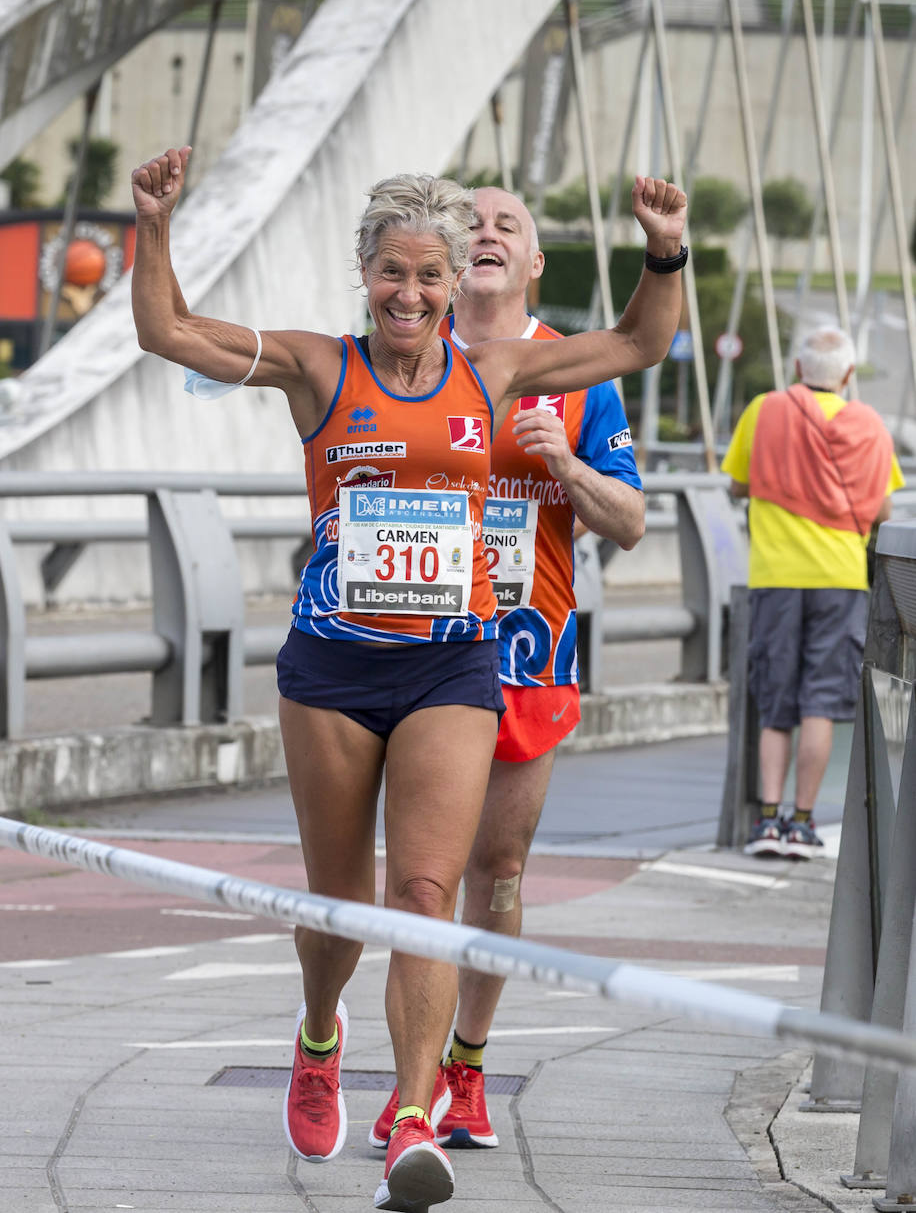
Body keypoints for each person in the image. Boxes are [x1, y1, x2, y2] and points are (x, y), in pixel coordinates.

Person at [130, 146, 687, 1213]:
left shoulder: (496, 372)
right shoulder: (315, 368)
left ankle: (416, 1118)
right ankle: (318, 1033)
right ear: (365, 272)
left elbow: (633, 342)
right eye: (394, 272)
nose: (414, 294)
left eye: (432, 276)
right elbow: (169, 333)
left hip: (453, 662)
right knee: (340, 907)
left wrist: (664, 254)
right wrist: (155, 225)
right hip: (333, 671)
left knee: (426, 897)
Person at [369, 186, 645, 1153]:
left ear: (532, 265)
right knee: (420, 877)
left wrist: (566, 466)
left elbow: (633, 522)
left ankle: (468, 1065)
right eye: (473, 224)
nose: (487, 234)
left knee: (500, 869)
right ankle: (409, 1089)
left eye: (509, 227)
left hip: (529, 654)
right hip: (418, 648)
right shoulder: (405, 355)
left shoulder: (576, 372)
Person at [722, 325, 904, 860]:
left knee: (776, 697)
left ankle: (767, 821)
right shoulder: (870, 425)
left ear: (798, 370)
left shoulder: (765, 410)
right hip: (841, 580)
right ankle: (803, 823)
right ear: (848, 376)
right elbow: (883, 511)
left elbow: (737, 484)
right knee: (821, 701)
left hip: (776, 576)